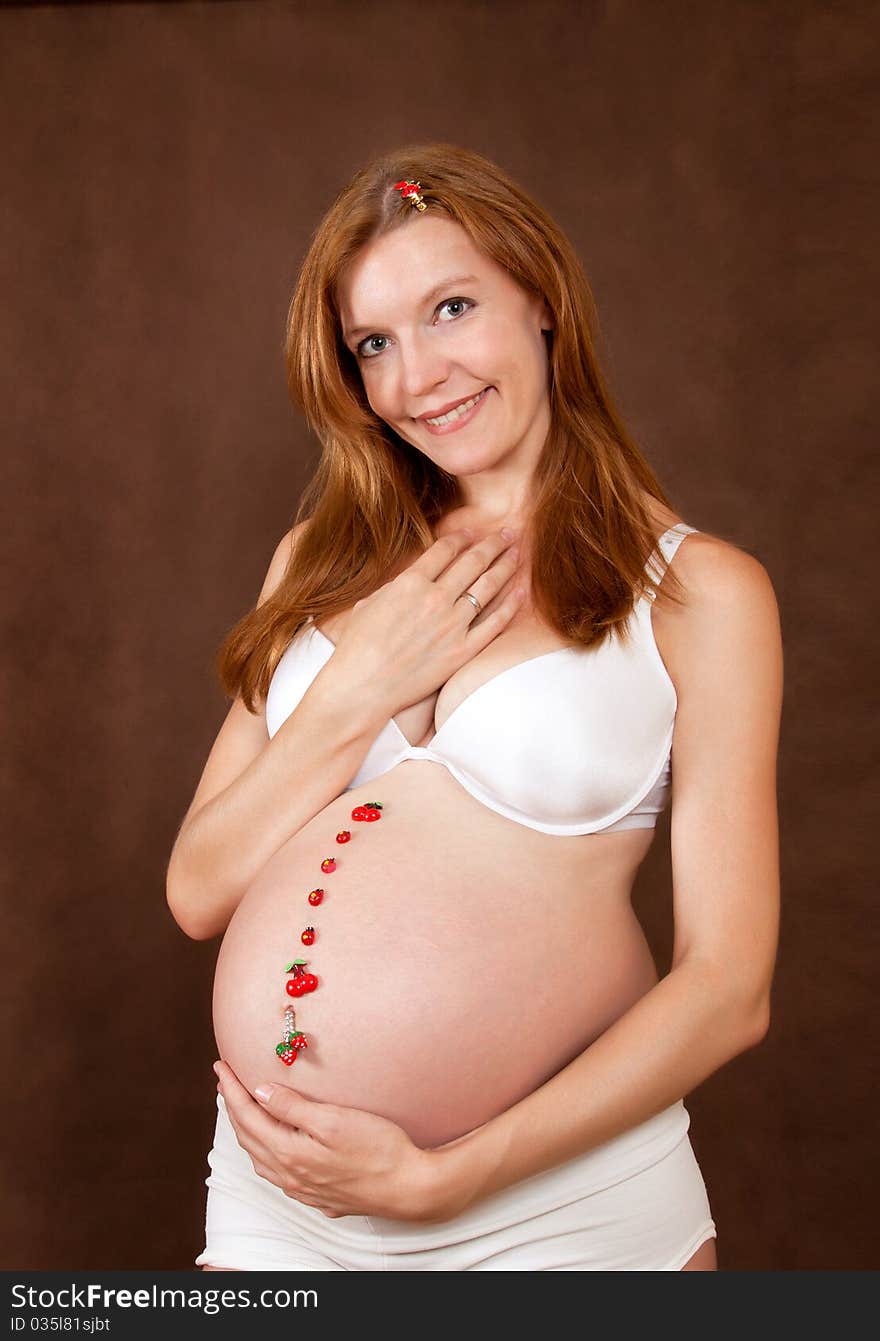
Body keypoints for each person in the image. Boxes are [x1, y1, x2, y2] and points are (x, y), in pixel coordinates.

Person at [167, 144, 782, 1272]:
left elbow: (728, 987)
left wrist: (450, 1175)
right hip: (277, 1199)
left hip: (557, 1206)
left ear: (541, 300)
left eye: (452, 308)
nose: (418, 377)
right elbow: (198, 889)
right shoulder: (316, 562)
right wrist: (355, 689)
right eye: (374, 344)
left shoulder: (699, 594)